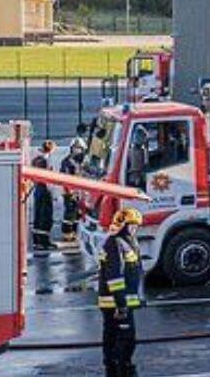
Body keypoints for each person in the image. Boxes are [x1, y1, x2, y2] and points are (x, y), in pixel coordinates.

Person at [98, 207, 144, 377]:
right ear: (124, 225)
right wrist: (121, 305)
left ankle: (118, 367)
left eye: (136, 226)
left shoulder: (127, 242)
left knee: (116, 337)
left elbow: (134, 273)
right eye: (131, 225)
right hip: (116, 304)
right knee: (125, 338)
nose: (135, 229)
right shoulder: (115, 243)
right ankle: (120, 369)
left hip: (121, 302)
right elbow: (114, 277)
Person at [30, 141, 57, 250]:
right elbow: (48, 177)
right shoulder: (45, 160)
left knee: (38, 216)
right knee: (45, 217)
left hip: (38, 189)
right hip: (45, 190)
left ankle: (38, 241)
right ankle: (44, 242)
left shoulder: (36, 159)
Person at [59, 137, 87, 241]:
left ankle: (75, 233)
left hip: (81, 192)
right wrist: (70, 191)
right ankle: (67, 234)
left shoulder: (83, 161)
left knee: (78, 214)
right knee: (69, 214)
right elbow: (65, 178)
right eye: (75, 148)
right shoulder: (66, 161)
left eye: (79, 148)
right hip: (70, 192)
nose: (77, 150)